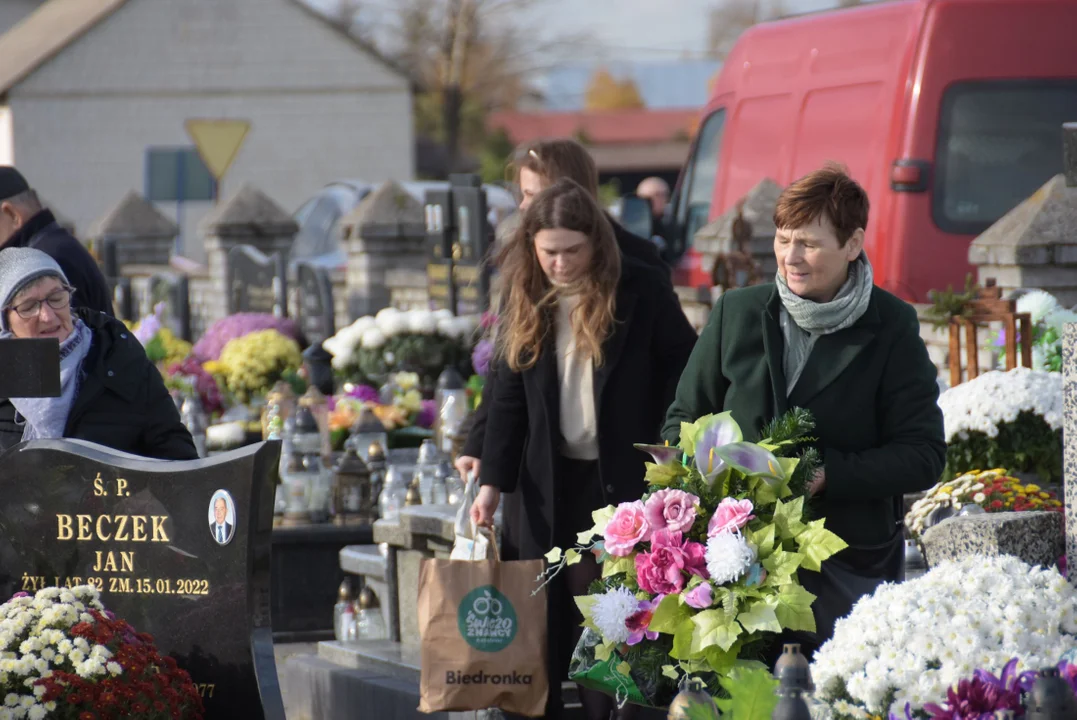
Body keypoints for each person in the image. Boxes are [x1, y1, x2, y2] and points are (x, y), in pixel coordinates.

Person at [662, 164, 945, 655]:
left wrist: (826, 474)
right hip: (730, 567)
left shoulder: (892, 326)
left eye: (808, 244)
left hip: (843, 567)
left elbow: (923, 454)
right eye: (783, 239)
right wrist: (705, 477)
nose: (790, 257)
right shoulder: (738, 313)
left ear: (853, 245)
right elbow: (681, 421)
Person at [470, 179, 698, 720]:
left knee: (607, 620)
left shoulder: (639, 288)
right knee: (541, 627)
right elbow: (506, 398)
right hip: (544, 486)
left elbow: (684, 365)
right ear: (532, 247)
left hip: (618, 483)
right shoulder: (523, 293)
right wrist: (489, 486)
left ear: (596, 242)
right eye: (549, 251)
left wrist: (668, 442)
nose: (561, 263)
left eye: (573, 250)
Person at [455, 138, 671, 482]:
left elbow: (673, 365)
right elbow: (506, 371)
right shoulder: (527, 266)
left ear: (572, 193)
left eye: (533, 194)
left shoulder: (638, 267)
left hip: (618, 467)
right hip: (542, 467)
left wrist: (668, 447)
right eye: (522, 195)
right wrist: (479, 445)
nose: (525, 206)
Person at [0, 248, 197, 460]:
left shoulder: (117, 354)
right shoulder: (6, 370)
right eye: (29, 307)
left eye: (56, 298)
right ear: (5, 322)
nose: (48, 316)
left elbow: (176, 453)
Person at [0, 167, 114, 316]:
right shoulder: (52, 247)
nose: (47, 317)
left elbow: (59, 337)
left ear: (12, 214)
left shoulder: (43, 262)